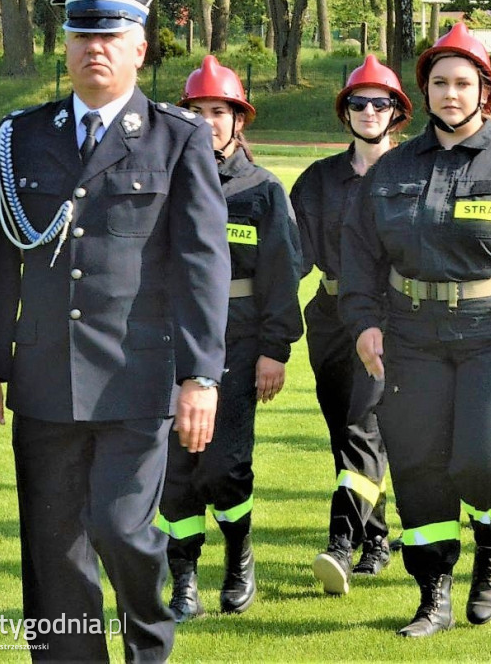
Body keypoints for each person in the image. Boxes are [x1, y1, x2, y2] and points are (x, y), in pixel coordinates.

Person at [0, 0, 231, 661]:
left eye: (111, 36)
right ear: (67, 46)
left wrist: (201, 377)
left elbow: (204, 266)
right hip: (46, 380)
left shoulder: (178, 139)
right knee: (54, 553)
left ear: (140, 49)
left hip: (136, 383)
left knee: (120, 530)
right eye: (83, 35)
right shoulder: (21, 137)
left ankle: (148, 645)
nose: (95, 49)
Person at [339, 22, 491, 636]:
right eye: (439, 83)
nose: (450, 94)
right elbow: (360, 254)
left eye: (462, 83)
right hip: (410, 334)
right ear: (425, 91)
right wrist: (364, 322)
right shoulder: (393, 170)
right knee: (418, 462)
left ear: (485, 92)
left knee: (487, 454)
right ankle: (433, 590)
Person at [158, 55, 303, 621]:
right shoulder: (164, 179)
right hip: (168, 343)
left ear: (239, 120)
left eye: (219, 110)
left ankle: (239, 554)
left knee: (223, 464)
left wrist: (275, 349)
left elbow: (282, 276)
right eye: (197, 110)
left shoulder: (262, 190)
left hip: (239, 345)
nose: (208, 120)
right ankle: (184, 578)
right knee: (177, 468)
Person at [290, 54, 412, 595]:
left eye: (379, 102)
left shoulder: (413, 173)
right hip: (330, 318)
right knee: (347, 436)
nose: (368, 111)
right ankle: (378, 539)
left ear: (396, 112)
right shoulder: (318, 181)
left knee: (364, 424)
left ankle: (341, 541)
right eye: (358, 103)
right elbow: (293, 255)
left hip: (390, 319)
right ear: (346, 113)